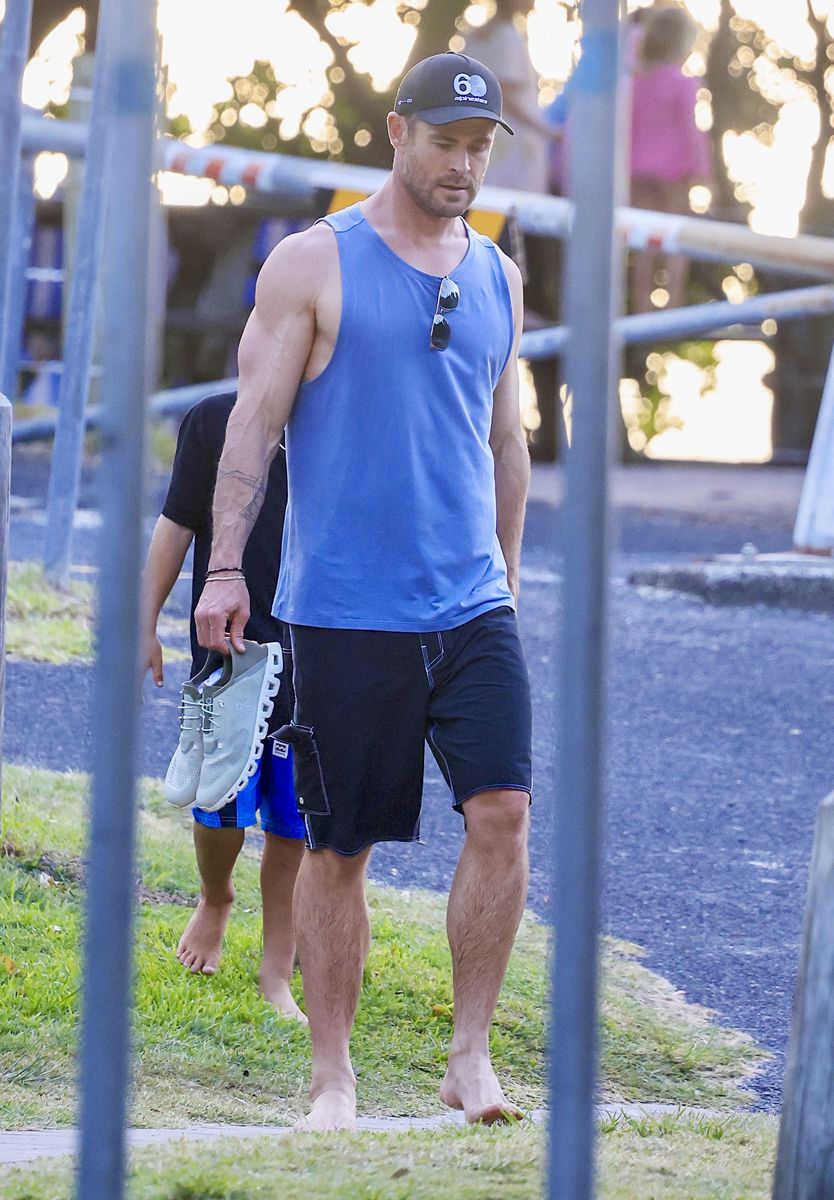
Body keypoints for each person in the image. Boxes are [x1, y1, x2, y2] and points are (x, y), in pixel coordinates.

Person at [194, 52, 533, 1132]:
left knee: (503, 817)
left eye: (480, 148)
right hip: (344, 612)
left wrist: (511, 587)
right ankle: (332, 1078)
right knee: (340, 850)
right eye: (446, 143)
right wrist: (224, 565)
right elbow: (250, 426)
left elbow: (507, 438)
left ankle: (469, 1059)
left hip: (473, 607)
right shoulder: (313, 263)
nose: (463, 166)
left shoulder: (497, 276)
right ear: (397, 132)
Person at [141, 390, 306, 1020]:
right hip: (229, 646)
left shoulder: (351, 419)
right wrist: (144, 622)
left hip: (316, 651)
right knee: (219, 803)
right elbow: (176, 524)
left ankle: (276, 968)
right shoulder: (214, 421)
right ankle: (215, 898)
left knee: (294, 821)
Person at [464, 0, 563, 462]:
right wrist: (550, 130)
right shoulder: (504, 37)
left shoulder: (480, 36)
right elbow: (505, 93)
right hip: (515, 176)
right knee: (525, 284)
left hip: (503, 178)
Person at [629, 5, 711, 311]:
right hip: (674, 170)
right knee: (678, 238)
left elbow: (630, 126)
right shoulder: (683, 83)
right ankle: (673, 300)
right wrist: (704, 172)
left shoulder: (636, 81)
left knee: (643, 239)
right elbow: (692, 131)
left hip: (638, 168)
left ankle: (641, 304)